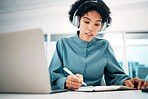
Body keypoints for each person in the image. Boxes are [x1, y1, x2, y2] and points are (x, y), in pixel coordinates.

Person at [49, 0, 148, 90]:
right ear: (77, 21)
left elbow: (115, 75)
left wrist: (127, 81)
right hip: (68, 95)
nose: (91, 28)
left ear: (102, 26)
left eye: (97, 24)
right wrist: (65, 82)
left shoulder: (104, 46)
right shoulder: (63, 44)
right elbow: (53, 75)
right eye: (86, 22)